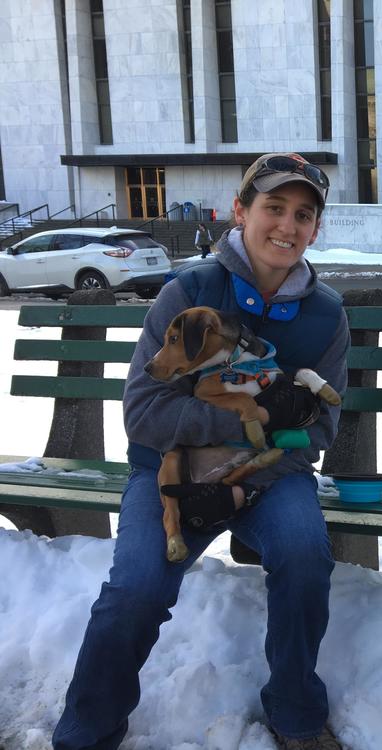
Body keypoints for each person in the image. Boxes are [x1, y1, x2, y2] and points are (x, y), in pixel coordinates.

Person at [52, 153, 350, 750]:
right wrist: (247, 424)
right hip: (170, 469)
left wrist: (243, 481)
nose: (287, 226)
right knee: (135, 587)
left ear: (315, 228)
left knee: (303, 553)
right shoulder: (188, 293)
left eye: (303, 214)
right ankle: (87, 730)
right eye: (273, 207)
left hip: (270, 478)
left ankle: (295, 713)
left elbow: (320, 431)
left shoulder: (325, 316)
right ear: (240, 212)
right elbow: (143, 412)